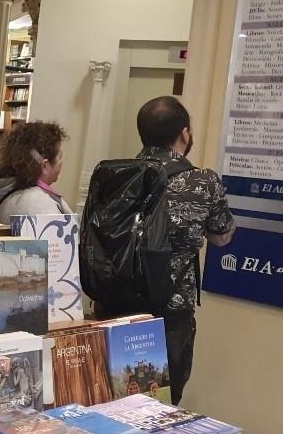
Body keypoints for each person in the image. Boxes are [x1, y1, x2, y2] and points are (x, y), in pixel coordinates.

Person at [97, 95, 235, 404]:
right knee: (160, 405)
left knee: (108, 401)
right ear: (185, 134)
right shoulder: (203, 181)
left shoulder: (116, 176)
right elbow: (222, 237)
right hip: (169, 311)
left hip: (114, 305)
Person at [0, 120, 71, 223]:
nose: (62, 162)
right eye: (59, 157)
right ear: (45, 166)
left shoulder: (1, 191)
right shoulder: (38, 205)